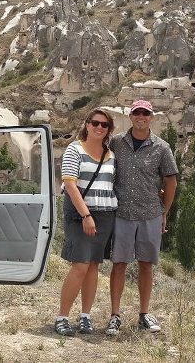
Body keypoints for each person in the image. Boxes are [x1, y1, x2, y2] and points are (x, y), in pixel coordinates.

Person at [105, 99, 178, 336]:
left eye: (145, 113)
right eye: (137, 112)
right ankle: (115, 315)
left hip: (150, 214)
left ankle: (144, 314)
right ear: (130, 116)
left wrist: (164, 212)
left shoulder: (162, 147)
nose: (141, 116)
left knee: (146, 264)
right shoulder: (116, 143)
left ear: (151, 118)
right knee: (119, 264)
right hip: (122, 212)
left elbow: (171, 180)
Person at [54, 108, 117, 336]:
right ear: (87, 124)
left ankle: (85, 317)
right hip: (81, 214)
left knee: (93, 266)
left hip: (106, 215)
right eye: (95, 123)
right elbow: (70, 184)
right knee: (80, 265)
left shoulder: (110, 154)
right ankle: (62, 317)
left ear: (109, 129)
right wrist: (86, 216)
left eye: (104, 125)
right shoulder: (75, 149)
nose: (99, 127)